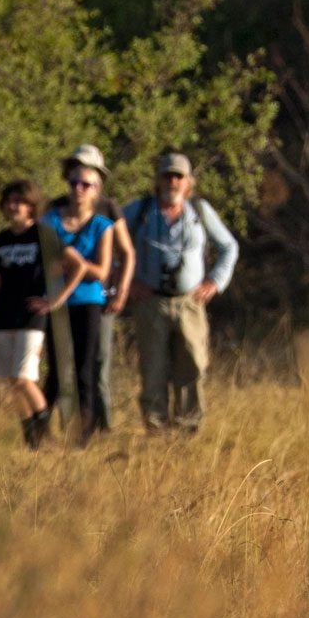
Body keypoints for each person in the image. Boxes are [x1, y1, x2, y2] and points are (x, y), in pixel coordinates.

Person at [120, 150, 239, 434]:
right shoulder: (139, 211)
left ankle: (188, 428)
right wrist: (127, 282)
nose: (172, 182)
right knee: (153, 368)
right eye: (167, 176)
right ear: (158, 180)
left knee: (193, 365)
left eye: (178, 176)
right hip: (150, 303)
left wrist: (215, 282)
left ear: (188, 182)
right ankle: (156, 429)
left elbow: (229, 247)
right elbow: (107, 240)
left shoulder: (200, 211)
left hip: (190, 303)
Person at [38, 146, 133, 443]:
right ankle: (40, 430)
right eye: (74, 178)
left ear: (98, 183)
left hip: (93, 299)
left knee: (91, 366)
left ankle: (92, 429)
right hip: (56, 300)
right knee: (57, 368)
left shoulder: (108, 212)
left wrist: (120, 292)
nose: (79, 187)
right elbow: (43, 256)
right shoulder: (52, 211)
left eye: (87, 182)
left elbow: (121, 256)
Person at [0, 181, 54, 447]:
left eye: (19, 202)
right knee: (12, 381)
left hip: (31, 318)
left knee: (24, 378)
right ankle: (31, 439)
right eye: (9, 201)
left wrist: (52, 300)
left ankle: (45, 432)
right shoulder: (1, 239)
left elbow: (73, 266)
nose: (13, 206)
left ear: (31, 206)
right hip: (4, 316)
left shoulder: (43, 235)